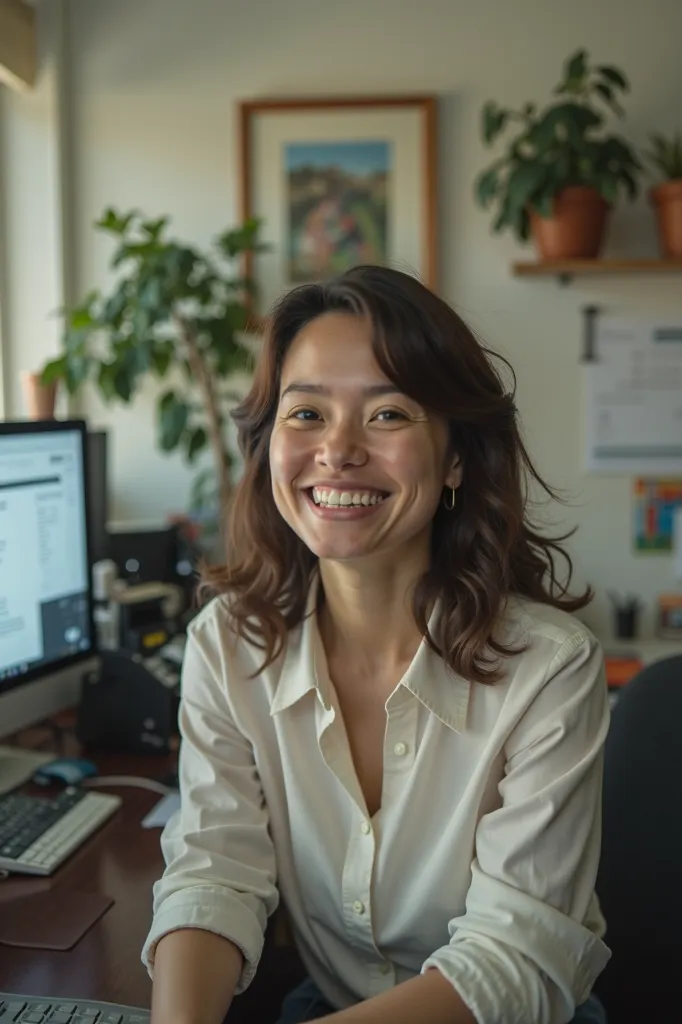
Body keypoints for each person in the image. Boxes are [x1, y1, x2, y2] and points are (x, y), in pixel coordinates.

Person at [143, 265, 611, 1024]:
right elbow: (213, 872)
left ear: (456, 457)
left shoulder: (549, 666)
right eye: (305, 415)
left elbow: (516, 959)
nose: (338, 450)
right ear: (268, 449)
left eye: (389, 414)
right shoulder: (229, 644)